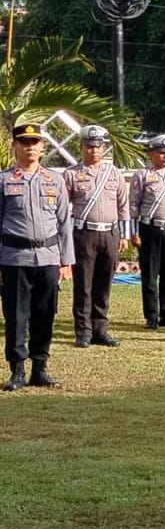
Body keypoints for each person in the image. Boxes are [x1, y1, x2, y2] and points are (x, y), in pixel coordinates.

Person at [0, 122, 73, 390]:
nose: (30, 147)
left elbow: (64, 222)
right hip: (14, 257)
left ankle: (39, 368)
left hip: (48, 257)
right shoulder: (5, 180)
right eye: (24, 142)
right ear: (15, 145)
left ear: (42, 146)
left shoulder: (54, 179)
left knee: (44, 314)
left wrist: (66, 261)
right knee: (16, 316)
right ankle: (17, 370)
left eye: (34, 143)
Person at [65, 124, 130, 348]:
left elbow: (124, 206)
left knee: (104, 284)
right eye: (89, 147)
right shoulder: (72, 174)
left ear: (103, 148)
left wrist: (125, 234)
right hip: (84, 233)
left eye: (98, 147)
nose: (94, 151)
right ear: (81, 148)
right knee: (83, 285)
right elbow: (64, 208)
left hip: (109, 233)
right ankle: (83, 331)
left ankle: (100, 329)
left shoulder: (114, 174)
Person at [130, 133, 165, 330]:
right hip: (150, 229)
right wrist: (133, 232)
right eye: (161, 153)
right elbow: (133, 206)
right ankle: (152, 315)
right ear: (151, 154)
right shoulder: (143, 175)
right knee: (150, 274)